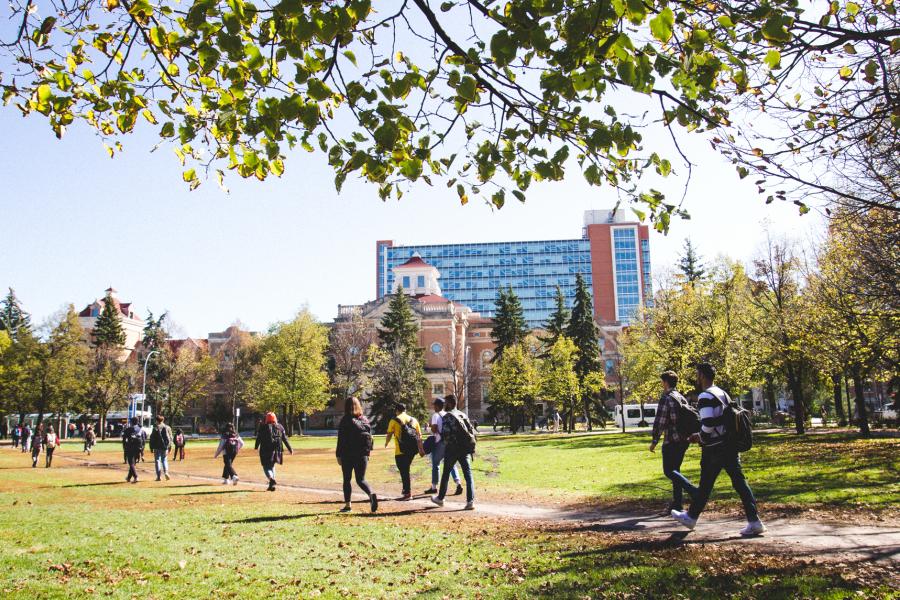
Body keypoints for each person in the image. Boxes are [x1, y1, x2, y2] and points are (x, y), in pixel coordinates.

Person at [671, 363, 766, 537]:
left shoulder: (705, 396)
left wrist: (699, 436)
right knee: (739, 483)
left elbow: (708, 423)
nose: (697, 378)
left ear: (702, 376)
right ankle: (754, 521)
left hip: (714, 447)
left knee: (706, 484)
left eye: (698, 374)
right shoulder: (722, 393)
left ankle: (691, 517)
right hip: (729, 445)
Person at [649, 370, 698, 513]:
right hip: (684, 439)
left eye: (662, 382)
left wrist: (654, 441)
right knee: (676, 471)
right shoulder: (680, 397)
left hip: (671, 440)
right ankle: (677, 504)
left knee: (669, 471)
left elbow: (661, 421)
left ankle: (693, 491)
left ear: (665, 382)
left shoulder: (666, 398)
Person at [431, 395, 477, 510]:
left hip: (453, 449)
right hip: (465, 448)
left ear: (450, 403)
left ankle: (440, 498)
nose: (444, 405)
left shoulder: (448, 416)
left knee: (446, 473)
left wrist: (446, 447)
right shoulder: (463, 414)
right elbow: (470, 430)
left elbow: (446, 435)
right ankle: (470, 501)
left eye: (445, 403)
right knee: (468, 474)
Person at [335, 397, 378, 513]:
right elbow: (370, 438)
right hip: (362, 454)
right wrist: (368, 453)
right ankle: (371, 493)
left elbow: (341, 439)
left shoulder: (345, 420)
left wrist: (338, 455)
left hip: (347, 454)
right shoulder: (365, 420)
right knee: (361, 479)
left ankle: (348, 505)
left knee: (347, 479)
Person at [424, 398, 462, 496]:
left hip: (440, 443)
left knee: (435, 464)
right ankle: (458, 484)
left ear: (437, 406)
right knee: (451, 464)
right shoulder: (446, 414)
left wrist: (430, 428)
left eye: (434, 405)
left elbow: (434, 429)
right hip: (449, 442)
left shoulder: (436, 415)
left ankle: (434, 487)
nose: (433, 407)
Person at [384, 403, 423, 500]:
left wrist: (386, 443)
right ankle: (406, 490)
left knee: (404, 470)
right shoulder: (414, 420)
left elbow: (389, 433)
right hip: (413, 449)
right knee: (406, 469)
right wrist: (420, 448)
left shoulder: (394, 420)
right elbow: (419, 435)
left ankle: (407, 493)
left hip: (400, 450)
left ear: (397, 410)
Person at [255, 412, 292, 491]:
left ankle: (271, 479)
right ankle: (271, 485)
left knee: (266, 467)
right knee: (272, 466)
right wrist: (290, 448)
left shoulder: (263, 427)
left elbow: (259, 438)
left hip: (265, 450)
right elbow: (284, 439)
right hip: (277, 450)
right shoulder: (280, 427)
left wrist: (256, 447)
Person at [148, 415, 173, 481]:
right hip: (165, 447)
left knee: (157, 460)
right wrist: (170, 446)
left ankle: (158, 476)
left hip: (156, 447)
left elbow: (152, 438)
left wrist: (151, 447)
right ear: (163, 420)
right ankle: (166, 472)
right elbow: (170, 438)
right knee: (164, 459)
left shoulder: (155, 428)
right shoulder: (167, 427)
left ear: (156, 420)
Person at [122, 417, 146, 483]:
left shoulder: (128, 429)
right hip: (138, 448)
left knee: (131, 463)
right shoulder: (141, 429)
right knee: (133, 463)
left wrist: (124, 447)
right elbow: (144, 439)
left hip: (130, 447)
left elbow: (124, 439)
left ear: (131, 422)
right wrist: (142, 449)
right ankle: (128, 477)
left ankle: (136, 476)